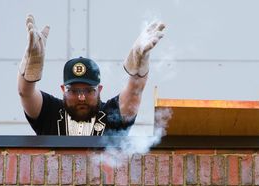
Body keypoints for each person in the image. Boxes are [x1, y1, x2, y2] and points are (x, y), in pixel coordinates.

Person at [18, 14, 165, 136]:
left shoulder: (110, 115)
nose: (81, 97)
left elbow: (134, 93)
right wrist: (31, 65)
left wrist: (138, 62)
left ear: (99, 89)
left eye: (88, 90)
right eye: (74, 91)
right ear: (63, 89)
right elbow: (25, 93)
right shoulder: (50, 113)